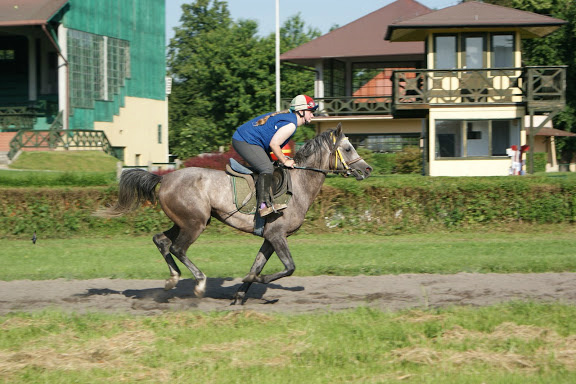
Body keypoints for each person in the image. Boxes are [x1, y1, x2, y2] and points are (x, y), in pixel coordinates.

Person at [232, 94, 318, 217]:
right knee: (266, 168)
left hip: (250, 141)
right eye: (311, 111)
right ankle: (263, 206)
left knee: (271, 167)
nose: (312, 115)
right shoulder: (291, 124)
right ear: (301, 112)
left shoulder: (290, 120)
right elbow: (274, 144)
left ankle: (269, 200)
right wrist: (284, 160)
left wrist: (283, 159)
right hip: (243, 140)